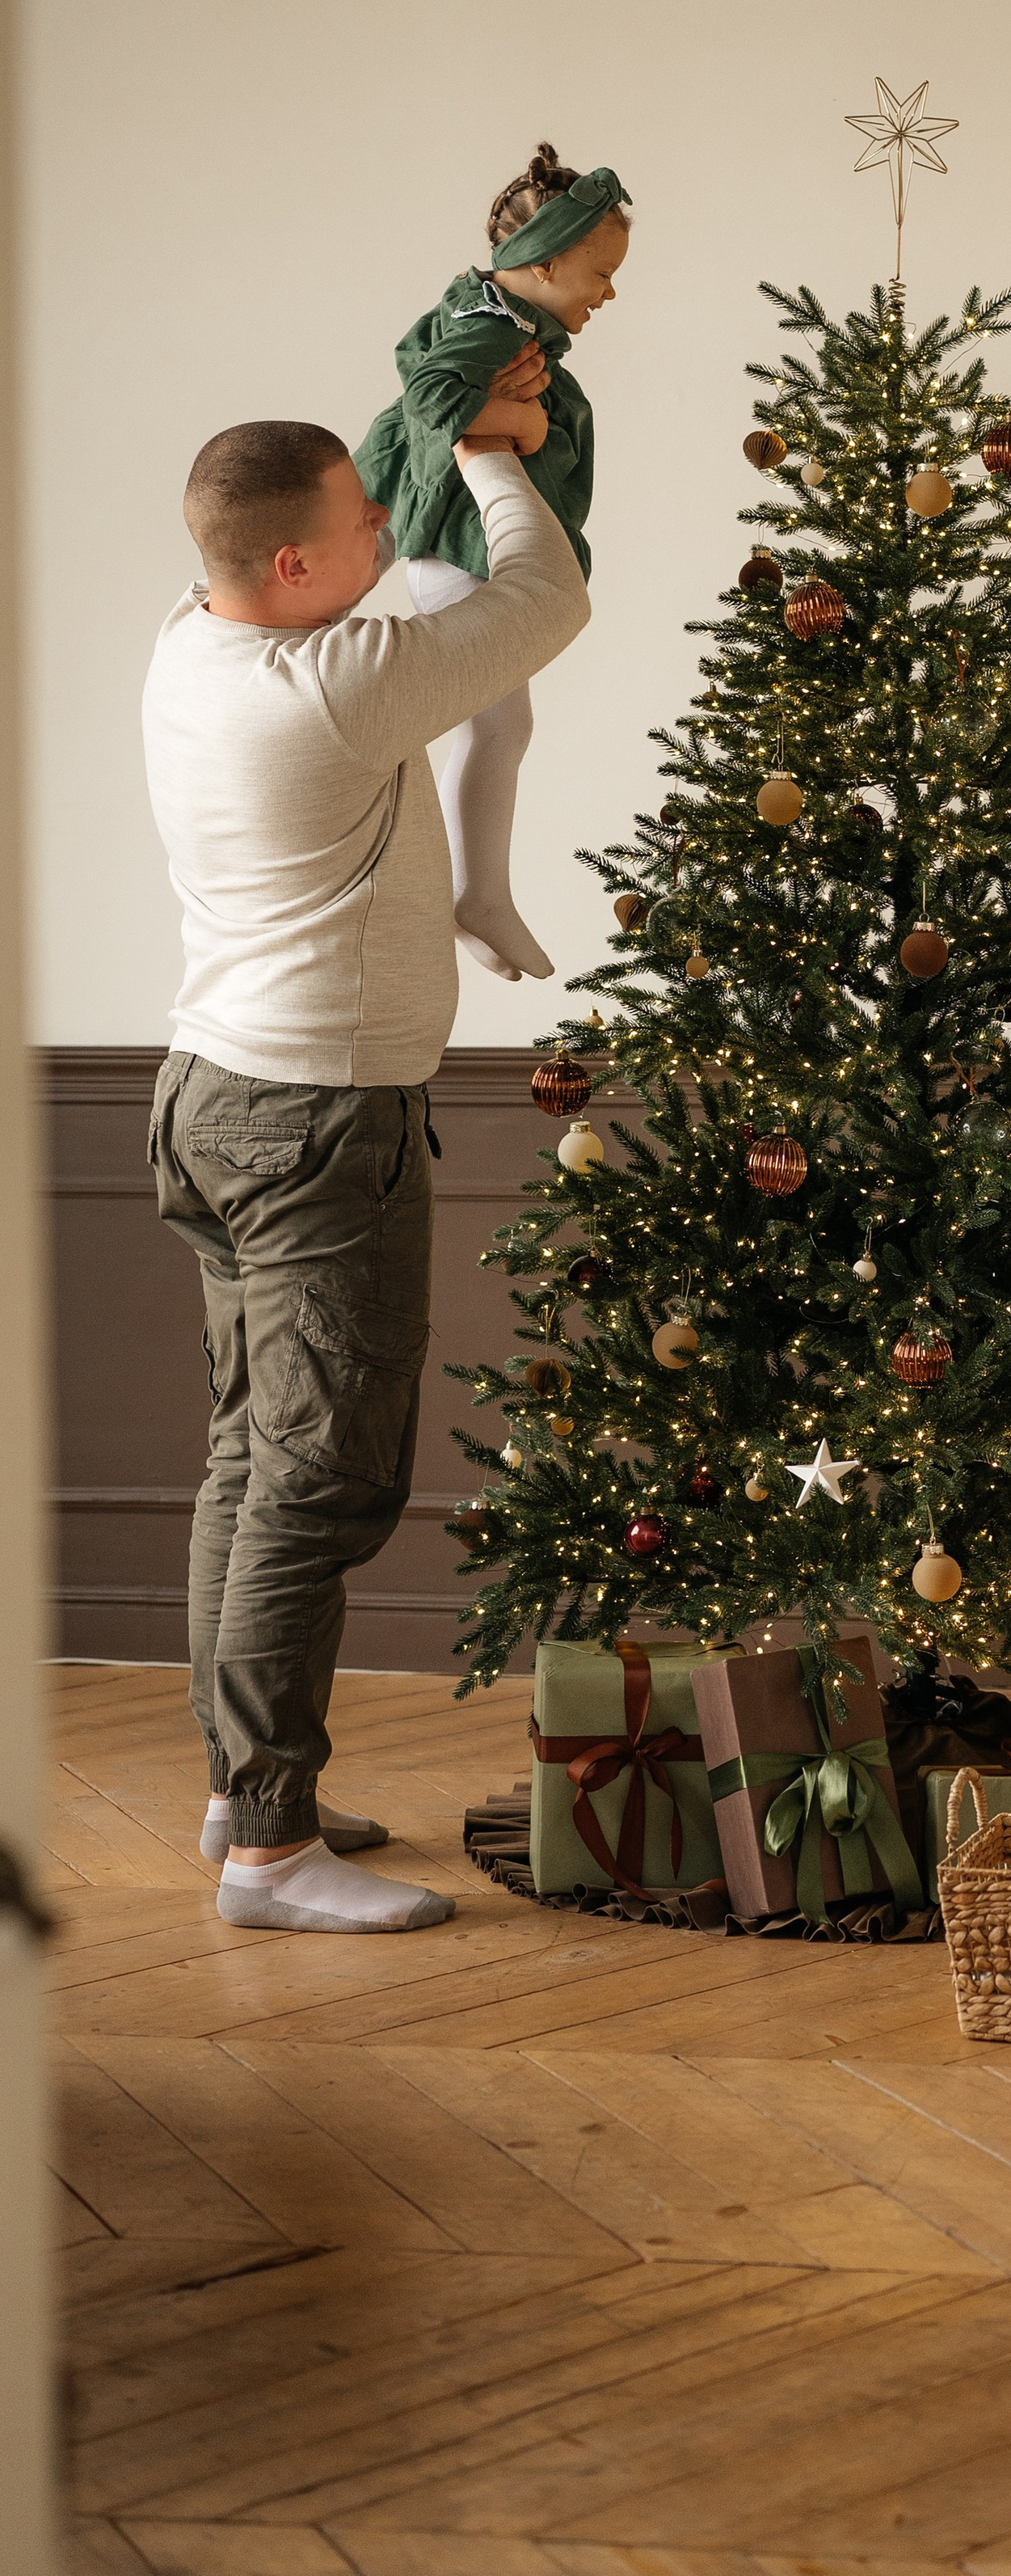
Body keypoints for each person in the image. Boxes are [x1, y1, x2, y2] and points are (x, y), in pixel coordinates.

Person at [141, 412, 590, 1932]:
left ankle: (238, 1787)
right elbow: (548, 597)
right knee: (318, 1482)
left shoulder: (192, 645)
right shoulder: (333, 690)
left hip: (213, 1095)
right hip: (315, 1125)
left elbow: (360, 560)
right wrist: (483, 457)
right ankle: (269, 1848)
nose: (389, 541)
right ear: (289, 562)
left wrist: (438, 389)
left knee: (247, 1456)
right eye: (361, 525)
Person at [353, 143, 630, 985]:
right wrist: (527, 423)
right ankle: (473, 893)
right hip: (461, 537)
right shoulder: (489, 326)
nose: (610, 290)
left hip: (455, 534)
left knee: (499, 726)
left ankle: (476, 893)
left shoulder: (500, 319)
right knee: (497, 726)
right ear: (539, 263)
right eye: (598, 272)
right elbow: (432, 401)